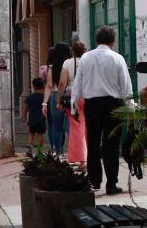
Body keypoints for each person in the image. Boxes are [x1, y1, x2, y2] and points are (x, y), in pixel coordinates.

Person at [72, 26, 132, 195]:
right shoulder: (117, 58)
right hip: (114, 105)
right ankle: (111, 184)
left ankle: (94, 181)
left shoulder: (85, 58)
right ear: (113, 41)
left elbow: (78, 84)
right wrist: (130, 108)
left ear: (96, 40)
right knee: (111, 145)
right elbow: (126, 85)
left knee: (92, 143)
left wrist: (75, 105)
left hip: (92, 105)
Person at [58, 41, 88, 170]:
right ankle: (86, 157)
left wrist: (59, 100)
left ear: (72, 51)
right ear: (85, 50)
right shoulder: (88, 62)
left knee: (77, 128)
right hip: (89, 97)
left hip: (73, 98)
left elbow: (62, 83)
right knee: (86, 127)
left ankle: (82, 159)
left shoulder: (68, 63)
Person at [43, 43, 71, 155]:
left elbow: (49, 86)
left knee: (56, 126)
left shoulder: (52, 67)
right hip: (69, 95)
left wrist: (44, 103)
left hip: (55, 96)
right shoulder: (70, 64)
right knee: (70, 126)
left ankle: (58, 151)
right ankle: (72, 151)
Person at [23, 78, 47, 157]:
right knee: (40, 135)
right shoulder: (44, 98)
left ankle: (29, 149)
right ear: (43, 86)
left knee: (31, 134)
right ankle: (39, 151)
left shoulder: (30, 97)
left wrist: (24, 117)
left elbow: (26, 108)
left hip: (32, 119)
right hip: (41, 120)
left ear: (33, 86)